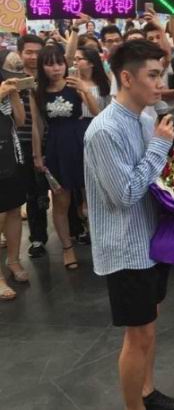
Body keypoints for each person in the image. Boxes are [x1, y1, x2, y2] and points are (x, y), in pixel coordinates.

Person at [84, 39, 174, 410]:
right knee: (138, 334)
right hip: (125, 246)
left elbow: (155, 181)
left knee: (150, 322)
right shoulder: (104, 130)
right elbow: (125, 194)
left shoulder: (146, 118)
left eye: (160, 74)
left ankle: (147, 392)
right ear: (127, 78)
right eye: (152, 75)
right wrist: (159, 147)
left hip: (151, 239)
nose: (160, 84)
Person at [32, 46, 84, 270]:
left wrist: (85, 90)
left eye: (59, 63)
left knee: (92, 197)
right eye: (50, 64)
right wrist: (37, 155)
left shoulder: (74, 84)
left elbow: (94, 110)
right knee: (61, 201)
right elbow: (37, 125)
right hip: (56, 148)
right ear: (42, 67)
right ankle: (67, 248)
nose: (56, 68)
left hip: (81, 144)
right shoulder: (37, 92)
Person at [13, 35, 50, 258]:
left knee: (61, 189)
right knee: (32, 192)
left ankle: (75, 229)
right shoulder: (12, 80)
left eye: (38, 52)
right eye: (28, 52)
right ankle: (37, 237)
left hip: (51, 141)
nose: (34, 56)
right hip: (23, 142)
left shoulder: (50, 76)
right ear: (20, 53)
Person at [0, 73, 27, 300]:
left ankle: (14, 260)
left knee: (13, 211)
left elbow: (19, 121)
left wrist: (14, 94)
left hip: (9, 157)